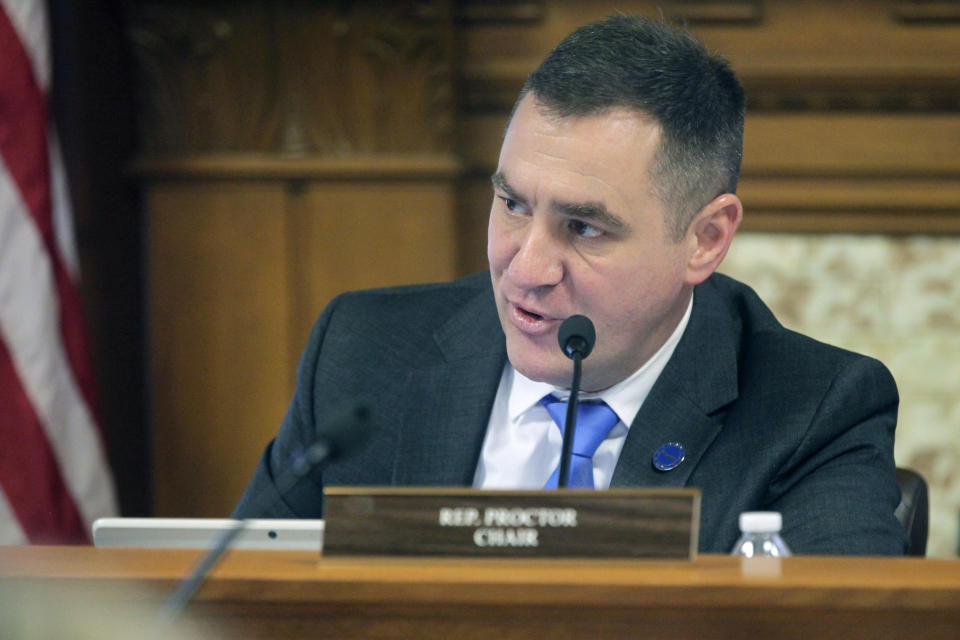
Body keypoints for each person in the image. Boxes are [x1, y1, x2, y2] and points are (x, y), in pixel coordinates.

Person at [234, 15, 907, 554]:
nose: (526, 269)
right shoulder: (363, 355)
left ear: (705, 239)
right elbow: (240, 603)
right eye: (513, 204)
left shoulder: (814, 411)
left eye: (584, 229)